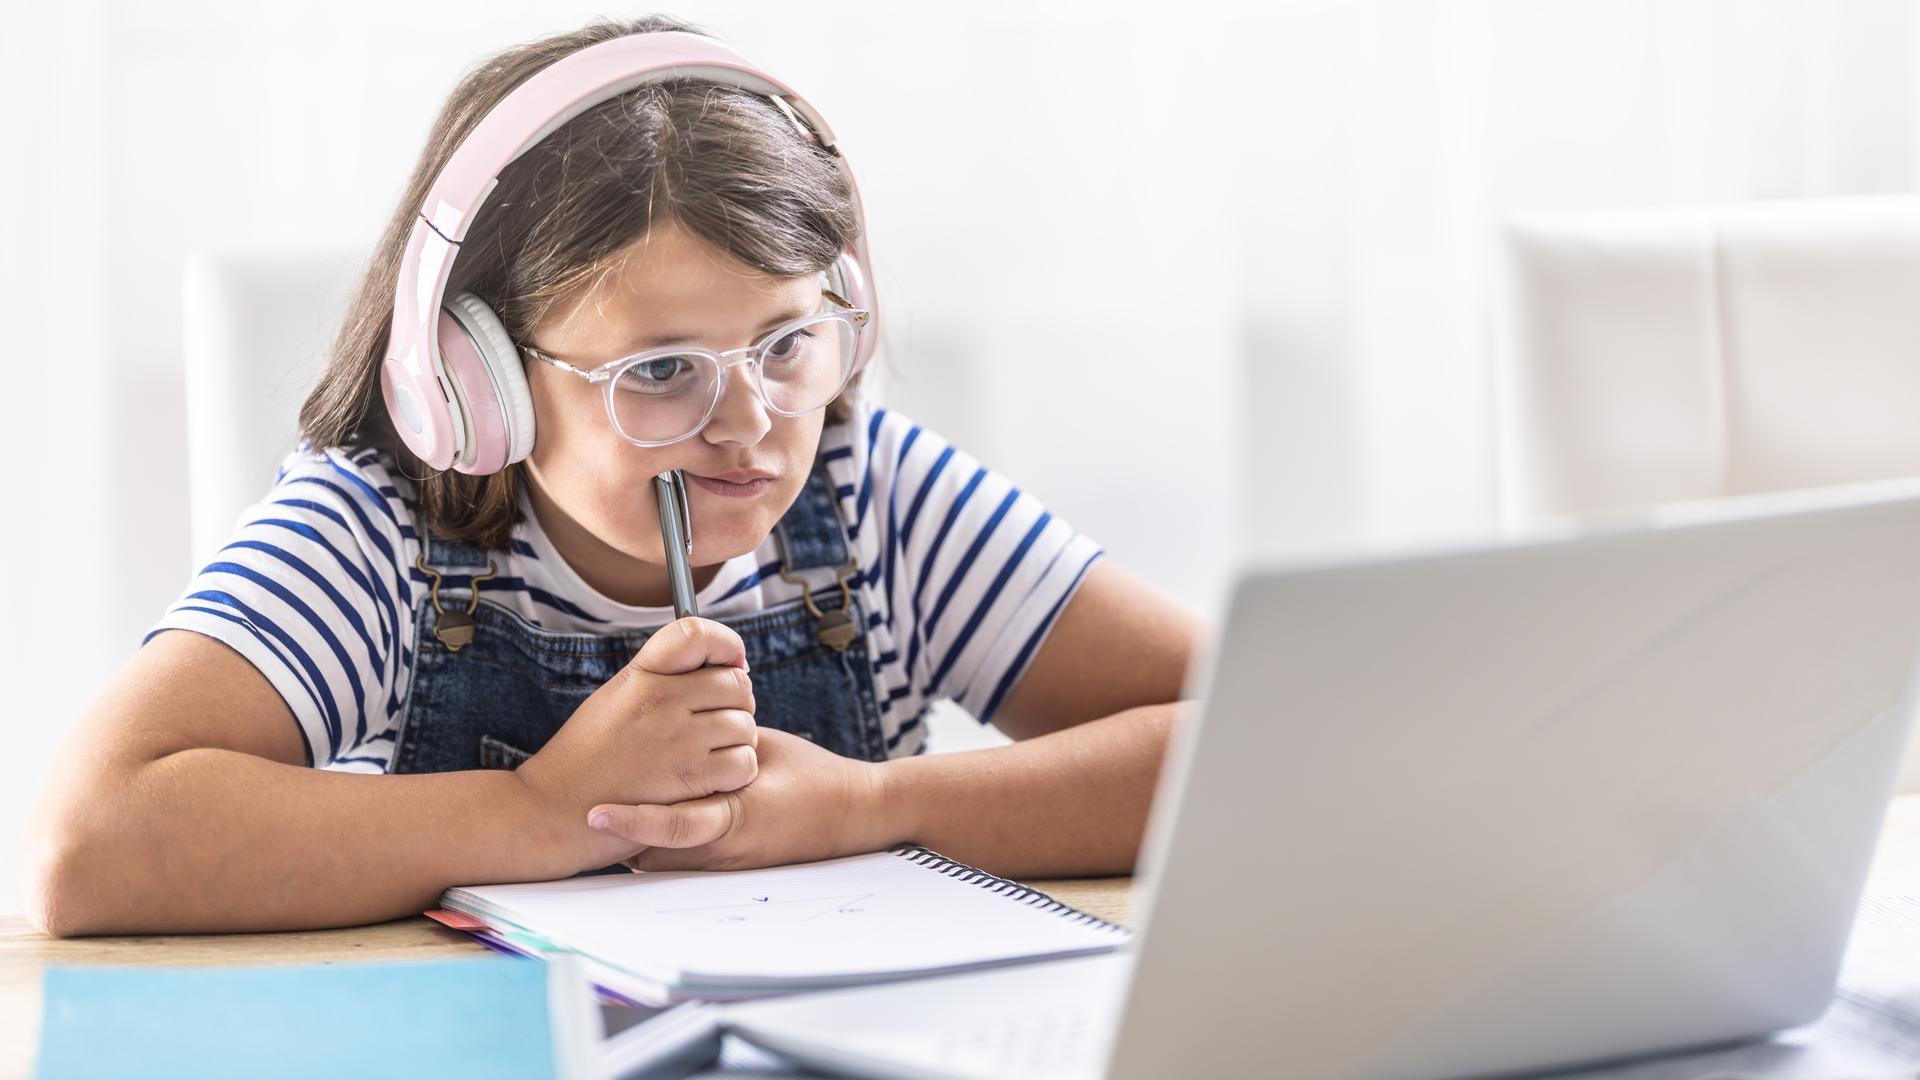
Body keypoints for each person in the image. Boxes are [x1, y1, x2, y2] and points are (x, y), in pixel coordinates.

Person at [24, 14, 1200, 936]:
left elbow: (1238, 732)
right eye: (661, 370)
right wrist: (541, 810)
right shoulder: (378, 533)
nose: (749, 427)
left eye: (788, 343)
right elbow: (89, 843)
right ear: (474, 379)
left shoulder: (871, 491)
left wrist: (872, 807)